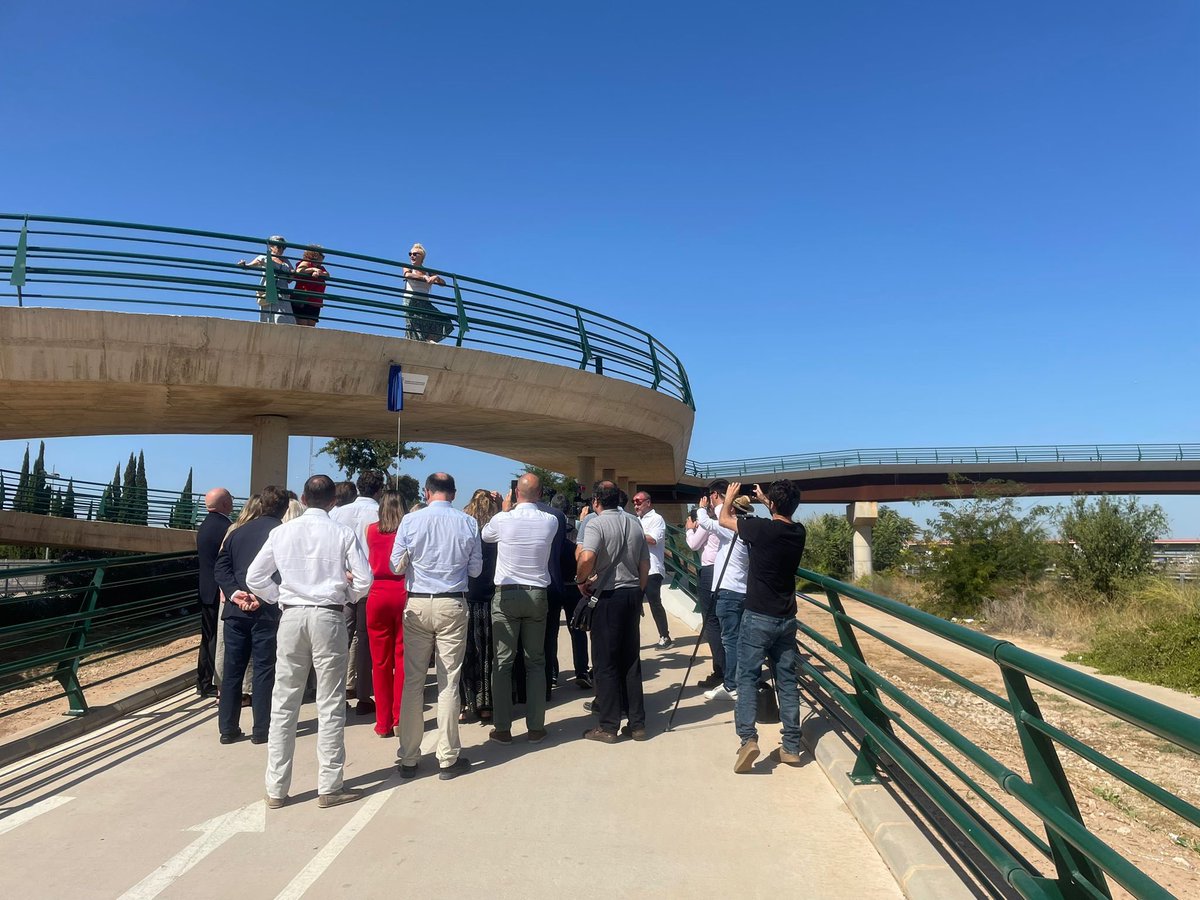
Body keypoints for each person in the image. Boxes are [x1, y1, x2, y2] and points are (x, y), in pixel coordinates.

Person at [247, 474, 372, 809]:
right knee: (330, 701)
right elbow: (364, 579)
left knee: (284, 701)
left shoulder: (282, 531)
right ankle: (329, 785)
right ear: (333, 501)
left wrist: (278, 597)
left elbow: (255, 576)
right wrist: (345, 595)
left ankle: (276, 787)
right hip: (328, 615)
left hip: (292, 615)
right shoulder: (342, 533)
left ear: (302, 498)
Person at [389, 472, 482, 780]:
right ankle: (447, 755)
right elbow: (476, 568)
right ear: (453, 494)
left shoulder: (411, 521)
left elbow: (395, 564)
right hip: (452, 601)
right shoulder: (467, 522)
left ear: (427, 493)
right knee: (449, 681)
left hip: (417, 602)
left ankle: (409, 757)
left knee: (414, 681)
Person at [718, 480, 807, 774]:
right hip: (787, 618)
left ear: (773, 505)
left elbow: (724, 519)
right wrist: (768, 499)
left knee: (746, 677)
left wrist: (730, 498)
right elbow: (779, 516)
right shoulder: (798, 532)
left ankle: (748, 740)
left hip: (758, 616)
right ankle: (791, 747)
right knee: (787, 681)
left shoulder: (759, 529)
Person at [481, 473, 559, 744]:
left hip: (507, 594)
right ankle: (536, 726)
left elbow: (486, 536)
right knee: (535, 661)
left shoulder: (503, 519)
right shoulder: (550, 521)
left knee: (502, 662)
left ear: (516, 494)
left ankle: (502, 727)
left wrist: (504, 509)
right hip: (537, 593)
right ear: (539, 495)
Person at [575, 480, 650, 743]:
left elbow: (586, 557)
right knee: (630, 661)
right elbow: (644, 565)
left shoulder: (596, 523)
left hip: (608, 597)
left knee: (605, 663)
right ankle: (637, 723)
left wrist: (581, 581)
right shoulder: (634, 522)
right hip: (632, 594)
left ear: (596, 500)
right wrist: (639, 594)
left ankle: (608, 726)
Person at [214, 486, 288, 745]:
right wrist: (265, 594)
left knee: (233, 670)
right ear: (284, 508)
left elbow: (221, 567)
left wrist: (236, 593)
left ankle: (227, 728)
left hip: (236, 611)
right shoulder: (284, 534)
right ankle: (261, 729)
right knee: (264, 669)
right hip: (267, 611)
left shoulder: (238, 533)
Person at [330, 470, 384, 715]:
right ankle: (364, 695)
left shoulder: (338, 513)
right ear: (379, 490)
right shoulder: (380, 513)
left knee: (338, 640)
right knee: (364, 641)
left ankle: (337, 692)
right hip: (371, 583)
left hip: (342, 582)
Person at [697, 491, 752, 703]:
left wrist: (707, 505)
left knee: (730, 640)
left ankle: (732, 685)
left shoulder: (731, 528)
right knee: (738, 639)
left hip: (728, 592)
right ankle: (738, 681)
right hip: (742, 591)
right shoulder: (749, 528)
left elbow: (706, 521)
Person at [364, 491, 409, 738]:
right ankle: (400, 717)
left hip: (377, 592)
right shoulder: (407, 529)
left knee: (380, 662)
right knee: (402, 659)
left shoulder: (371, 530)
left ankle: (383, 722)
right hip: (402, 591)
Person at [214, 494, 262, 703]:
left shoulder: (232, 530)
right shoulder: (262, 532)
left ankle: (223, 689)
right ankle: (246, 690)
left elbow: (222, 563)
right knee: (251, 649)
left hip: (230, 595)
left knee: (227, 647)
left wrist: (230, 590)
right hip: (253, 596)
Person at [460, 489, 500, 723]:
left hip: (468, 594)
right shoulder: (496, 531)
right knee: (489, 653)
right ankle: (488, 704)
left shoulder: (466, 530)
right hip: (492, 595)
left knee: (466, 653)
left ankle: (466, 704)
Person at [196, 487, 233, 699]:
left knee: (206, 638)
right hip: (219, 590)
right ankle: (211, 681)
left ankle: (202, 681)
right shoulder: (226, 527)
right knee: (215, 641)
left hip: (204, 588)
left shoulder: (205, 525)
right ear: (226, 504)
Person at [686, 490, 724, 689]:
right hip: (726, 571)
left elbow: (693, 544)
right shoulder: (729, 518)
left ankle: (720, 670)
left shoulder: (709, 521)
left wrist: (689, 528)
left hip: (709, 571)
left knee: (711, 622)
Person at [632, 491, 672, 649]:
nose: (636, 504)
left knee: (655, 603)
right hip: (635, 570)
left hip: (652, 569)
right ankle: (631, 639)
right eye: (634, 501)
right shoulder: (635, 520)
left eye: (639, 501)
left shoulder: (657, 519)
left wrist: (634, 533)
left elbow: (654, 539)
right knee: (633, 605)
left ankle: (664, 635)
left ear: (648, 502)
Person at [237, 236, 293, 324]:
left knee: (284, 320)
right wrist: (244, 265)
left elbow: (290, 279)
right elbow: (249, 266)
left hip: (283, 293)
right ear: (271, 246)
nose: (281, 249)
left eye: (283, 247)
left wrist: (292, 273)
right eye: (279, 246)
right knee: (270, 318)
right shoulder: (264, 257)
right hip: (270, 292)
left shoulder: (286, 261)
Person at [401, 243, 451, 343]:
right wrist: (423, 278)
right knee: (415, 329)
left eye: (415, 254)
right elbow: (407, 275)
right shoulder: (407, 267)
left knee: (445, 322)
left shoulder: (428, 271)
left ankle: (430, 339)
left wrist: (436, 278)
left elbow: (443, 283)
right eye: (410, 253)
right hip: (411, 301)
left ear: (422, 257)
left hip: (425, 302)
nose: (412, 256)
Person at [291, 245, 328, 327]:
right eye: (322, 255)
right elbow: (299, 270)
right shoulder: (306, 263)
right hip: (303, 300)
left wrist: (319, 272)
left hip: (314, 302)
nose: (323, 257)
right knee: (302, 326)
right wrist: (313, 269)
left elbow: (327, 275)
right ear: (315, 255)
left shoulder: (321, 267)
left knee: (310, 327)